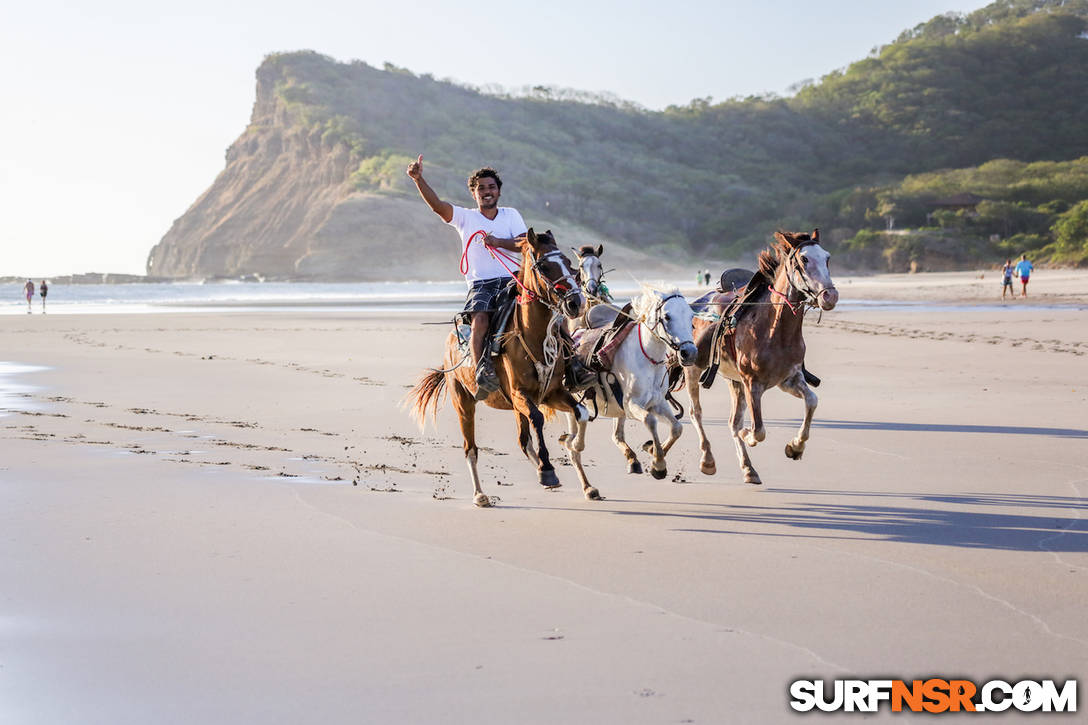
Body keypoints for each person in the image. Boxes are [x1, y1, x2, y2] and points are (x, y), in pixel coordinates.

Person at [406, 155, 528, 399]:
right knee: (480, 319)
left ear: (499, 191)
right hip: (481, 283)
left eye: (491, 187)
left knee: (545, 309)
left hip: (513, 278)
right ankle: (482, 369)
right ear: (474, 194)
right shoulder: (466, 217)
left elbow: (524, 243)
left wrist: (499, 242)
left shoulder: (511, 215)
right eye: (481, 188)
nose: (486, 191)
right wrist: (419, 180)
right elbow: (437, 206)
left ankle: (571, 362)